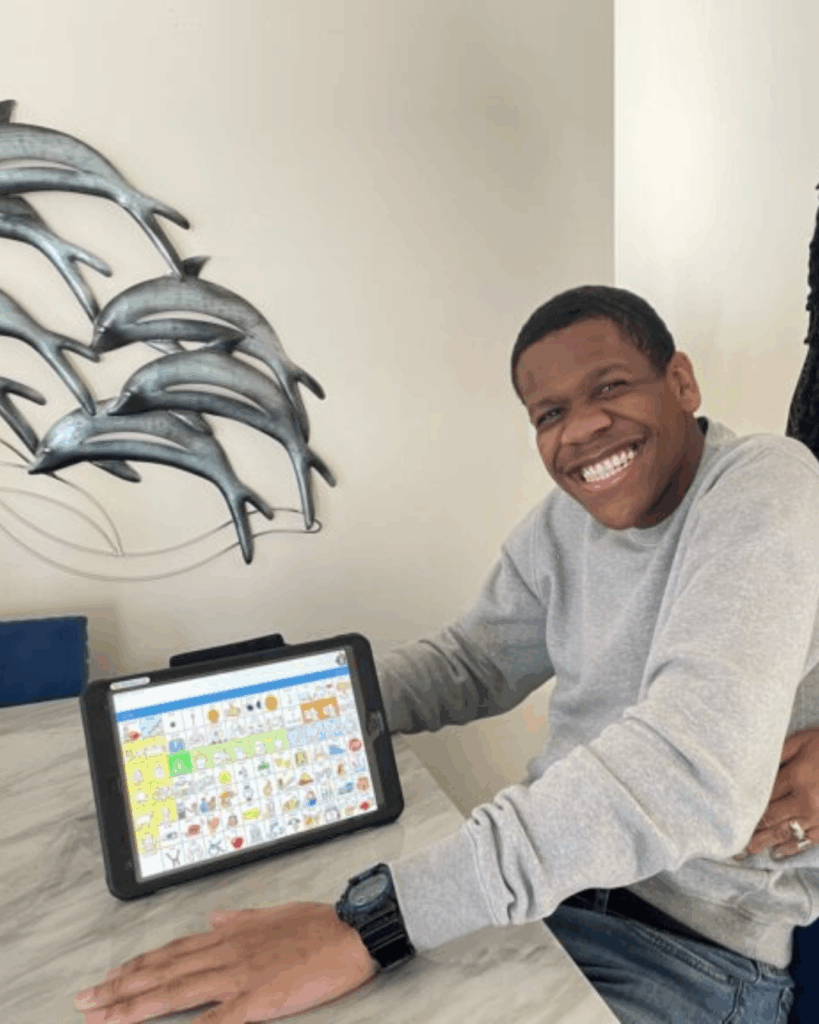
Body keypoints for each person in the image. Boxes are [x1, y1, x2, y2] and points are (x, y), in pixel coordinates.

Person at [75, 285, 819, 1024]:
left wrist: (374, 920)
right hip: (552, 899)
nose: (583, 427)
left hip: (688, 950)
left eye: (611, 387)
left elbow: (686, 771)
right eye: (549, 414)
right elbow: (471, 665)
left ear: (681, 382)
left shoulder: (763, 485)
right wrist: (269, 709)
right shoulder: (559, 527)